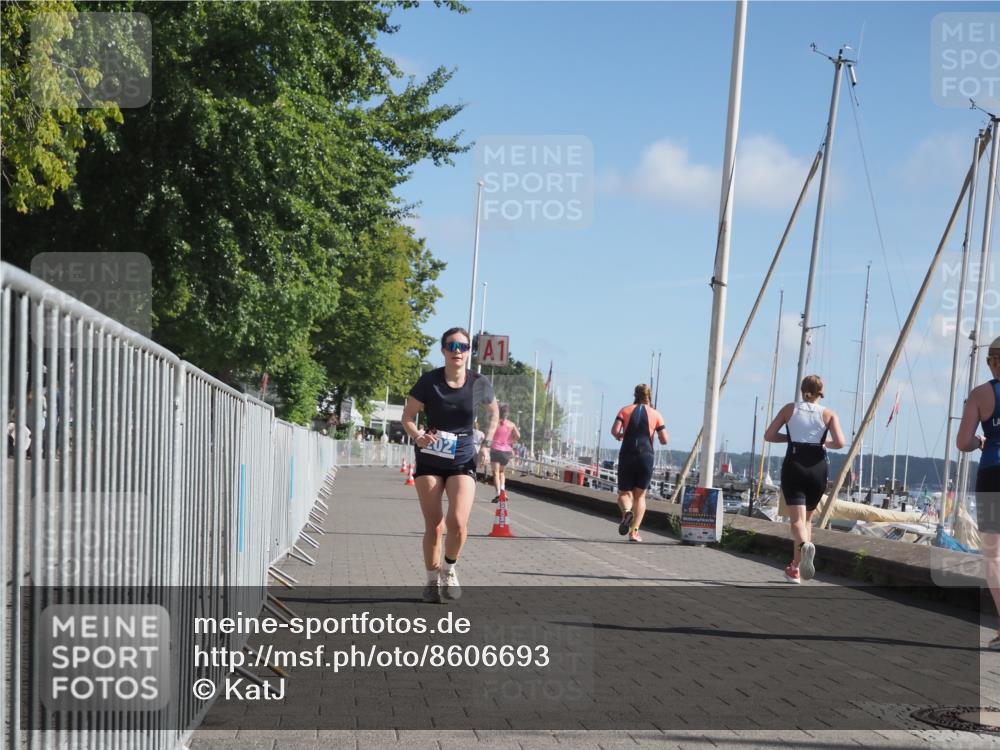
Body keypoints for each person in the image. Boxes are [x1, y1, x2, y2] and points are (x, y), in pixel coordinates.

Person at [402, 327, 498, 604]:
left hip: (463, 456)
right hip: (431, 455)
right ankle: (432, 580)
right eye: (452, 346)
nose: (458, 351)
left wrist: (486, 444)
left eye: (463, 346)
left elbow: (493, 414)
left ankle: (449, 568)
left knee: (458, 522)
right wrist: (418, 436)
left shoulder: (479, 383)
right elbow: (407, 416)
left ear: (469, 351)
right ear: (443, 350)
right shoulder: (428, 381)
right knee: (435, 525)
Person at [764, 375, 845, 584]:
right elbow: (840, 442)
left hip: (795, 464)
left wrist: (789, 438)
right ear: (821, 392)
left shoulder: (789, 409)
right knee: (807, 520)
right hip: (818, 467)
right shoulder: (829, 414)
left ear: (802, 390)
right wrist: (822, 442)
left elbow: (769, 435)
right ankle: (795, 568)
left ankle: (804, 549)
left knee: (797, 522)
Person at [956, 335, 1000, 649]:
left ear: (991, 361)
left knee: (993, 555)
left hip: (993, 474)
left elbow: (963, 442)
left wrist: (980, 443)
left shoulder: (981, 394)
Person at [611, 384, 668, 542]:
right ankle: (634, 532)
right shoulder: (656, 414)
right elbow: (664, 439)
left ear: (635, 395)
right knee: (640, 496)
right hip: (646, 456)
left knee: (624, 493)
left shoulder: (625, 410)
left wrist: (621, 436)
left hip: (627, 453)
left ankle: (627, 511)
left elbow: (615, 431)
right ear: (649, 396)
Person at [489, 404, 521, 502]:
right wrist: (510, 441)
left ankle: (498, 493)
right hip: (506, 451)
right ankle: (503, 491)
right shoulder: (511, 424)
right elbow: (518, 436)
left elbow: (489, 434)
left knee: (495, 473)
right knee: (502, 472)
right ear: (508, 413)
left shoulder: (495, 423)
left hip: (495, 449)